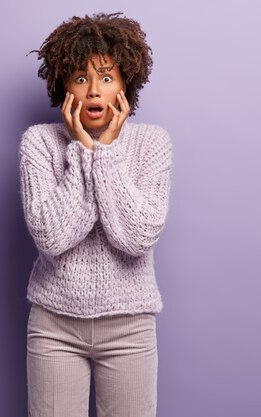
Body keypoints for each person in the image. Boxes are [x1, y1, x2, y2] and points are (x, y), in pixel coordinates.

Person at [19, 12, 173, 417]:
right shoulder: (40, 143)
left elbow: (135, 238)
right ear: (63, 86)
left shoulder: (153, 144)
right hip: (54, 326)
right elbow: (53, 238)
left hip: (130, 328)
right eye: (80, 77)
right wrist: (83, 150)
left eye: (106, 78)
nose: (93, 91)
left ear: (125, 85)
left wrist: (103, 155)